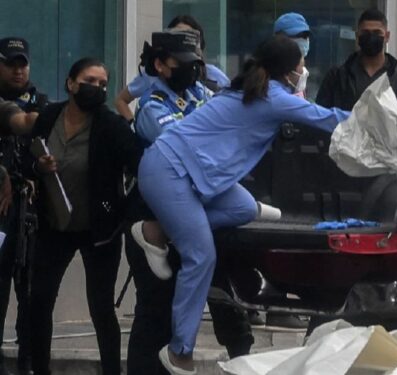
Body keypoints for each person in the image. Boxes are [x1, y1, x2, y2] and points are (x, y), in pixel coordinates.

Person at [137, 35, 350, 374]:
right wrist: (384, 127)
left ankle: (158, 229)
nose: (303, 71)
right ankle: (179, 350)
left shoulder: (248, 88)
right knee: (201, 256)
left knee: (245, 208)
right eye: (299, 66)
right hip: (169, 172)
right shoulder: (273, 97)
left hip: (185, 170)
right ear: (288, 70)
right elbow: (329, 119)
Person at [125, 29, 254, 374]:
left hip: (197, 206)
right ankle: (169, 356)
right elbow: (191, 150)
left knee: (244, 211)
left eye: (196, 63)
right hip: (158, 204)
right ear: (160, 65)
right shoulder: (153, 105)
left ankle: (160, 232)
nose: (193, 70)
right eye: (182, 63)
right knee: (155, 310)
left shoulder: (200, 93)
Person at [28, 57, 142, 375]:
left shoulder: (111, 126)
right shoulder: (50, 116)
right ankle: (39, 368)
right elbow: (28, 155)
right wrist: (38, 167)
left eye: (102, 84)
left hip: (100, 231)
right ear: (71, 83)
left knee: (101, 308)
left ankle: (110, 371)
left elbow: (141, 165)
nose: (96, 88)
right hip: (54, 225)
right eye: (89, 81)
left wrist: (124, 212)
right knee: (40, 300)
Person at [0, 36, 46, 375]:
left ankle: (27, 362)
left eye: (22, 63)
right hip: (1, 214)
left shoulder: (41, 103)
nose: (18, 70)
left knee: (30, 289)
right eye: (10, 63)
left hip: (31, 210)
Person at [114, 15, 230, 121]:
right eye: (178, 35)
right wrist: (134, 127)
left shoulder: (212, 77)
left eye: (189, 36)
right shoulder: (151, 85)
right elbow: (121, 100)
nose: (183, 42)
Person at [316, 8, 397, 111]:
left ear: (387, 36)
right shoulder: (337, 77)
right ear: (357, 36)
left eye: (377, 33)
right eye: (365, 32)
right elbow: (321, 116)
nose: (371, 37)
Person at [274, 13, 310, 99]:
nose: (303, 40)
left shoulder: (302, 74)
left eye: (305, 36)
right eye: (298, 36)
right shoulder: (271, 80)